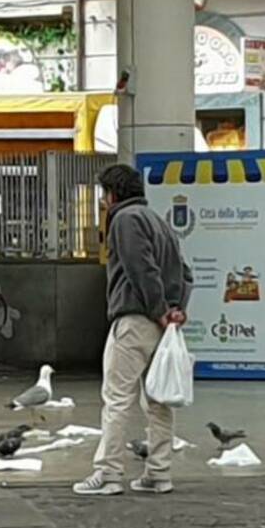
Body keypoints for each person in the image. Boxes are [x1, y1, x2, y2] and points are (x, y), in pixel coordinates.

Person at [73, 164, 192, 496]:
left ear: (112, 195)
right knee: (158, 400)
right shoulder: (160, 222)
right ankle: (159, 473)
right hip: (164, 327)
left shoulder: (125, 220)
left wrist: (157, 310)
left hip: (136, 320)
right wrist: (175, 309)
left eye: (103, 196)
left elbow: (142, 269)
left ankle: (108, 473)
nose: (103, 203)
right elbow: (185, 272)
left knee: (117, 398)